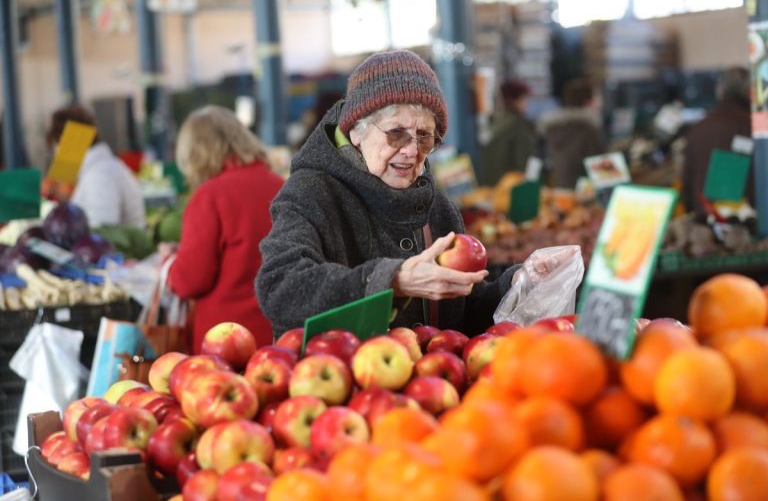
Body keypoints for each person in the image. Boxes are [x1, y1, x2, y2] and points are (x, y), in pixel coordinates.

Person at [256, 50, 565, 336]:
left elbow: (462, 313)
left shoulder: (437, 208)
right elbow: (280, 287)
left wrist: (516, 284)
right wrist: (392, 280)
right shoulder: (310, 193)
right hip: (341, 389)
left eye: (424, 136)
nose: (411, 150)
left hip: (428, 389)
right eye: (396, 134)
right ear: (357, 131)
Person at [166, 105, 284, 353]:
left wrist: (170, 263)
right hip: (279, 336)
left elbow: (190, 281)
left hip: (226, 344)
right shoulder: (281, 186)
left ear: (195, 154)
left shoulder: (210, 196)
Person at [46, 104, 146, 228]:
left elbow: (103, 232)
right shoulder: (102, 168)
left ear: (69, 144)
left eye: (57, 148)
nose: (57, 159)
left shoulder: (99, 175)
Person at [681, 67, 753, 215]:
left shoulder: (698, 128)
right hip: (745, 224)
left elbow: (686, 186)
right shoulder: (752, 127)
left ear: (719, 91)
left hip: (704, 218)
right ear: (750, 92)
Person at [539, 78, 605, 189]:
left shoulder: (554, 128)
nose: (600, 102)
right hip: (585, 198)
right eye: (597, 97)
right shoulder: (587, 130)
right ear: (588, 101)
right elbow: (605, 173)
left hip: (561, 193)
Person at [481, 79, 536, 185]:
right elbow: (523, 164)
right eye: (523, 99)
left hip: (492, 188)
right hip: (514, 189)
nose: (527, 104)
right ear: (513, 101)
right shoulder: (519, 127)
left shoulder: (494, 124)